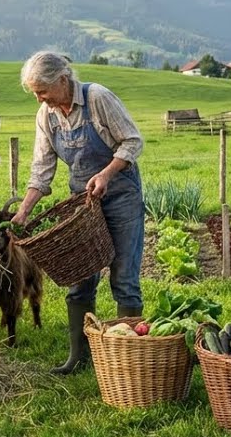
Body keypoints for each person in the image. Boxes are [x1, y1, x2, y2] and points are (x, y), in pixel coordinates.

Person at [11, 51, 146, 375]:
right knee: (79, 281)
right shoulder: (47, 115)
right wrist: (23, 213)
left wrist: (106, 174)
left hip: (121, 196)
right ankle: (79, 358)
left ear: (62, 79)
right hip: (83, 206)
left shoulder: (97, 98)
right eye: (34, 93)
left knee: (124, 279)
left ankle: (129, 360)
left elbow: (132, 141)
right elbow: (42, 169)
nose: (38, 98)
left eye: (41, 91)